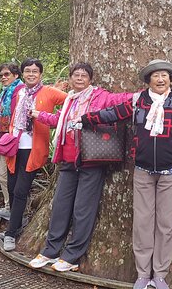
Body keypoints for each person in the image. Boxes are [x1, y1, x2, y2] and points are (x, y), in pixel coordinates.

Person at [79, 59, 172, 289]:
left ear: (170, 79)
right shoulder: (137, 101)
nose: (161, 79)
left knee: (166, 224)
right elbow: (112, 114)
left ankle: (159, 274)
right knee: (142, 222)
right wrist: (85, 118)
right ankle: (143, 274)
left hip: (171, 171)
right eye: (156, 75)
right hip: (142, 170)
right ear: (148, 80)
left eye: (165, 75)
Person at [27, 62, 132, 272]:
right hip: (68, 159)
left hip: (91, 160)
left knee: (83, 209)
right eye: (76, 75)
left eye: (84, 75)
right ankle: (50, 250)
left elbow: (121, 100)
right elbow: (61, 120)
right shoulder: (70, 100)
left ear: (90, 79)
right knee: (60, 206)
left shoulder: (99, 96)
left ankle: (72, 255)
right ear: (71, 78)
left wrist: (146, 94)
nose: (80, 78)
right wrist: (39, 115)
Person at [2, 58, 67, 252]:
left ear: (40, 74)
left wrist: (52, 119)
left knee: (21, 190)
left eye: (35, 71)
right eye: (28, 71)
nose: (31, 74)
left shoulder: (48, 92)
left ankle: (10, 234)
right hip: (14, 147)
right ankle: (16, 224)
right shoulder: (19, 91)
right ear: (23, 74)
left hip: (33, 148)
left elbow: (71, 103)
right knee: (13, 188)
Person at [0, 62, 24, 220]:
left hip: (15, 140)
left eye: (7, 74)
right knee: (4, 175)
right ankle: (10, 207)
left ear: (16, 75)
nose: (3, 78)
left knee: (12, 175)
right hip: (4, 139)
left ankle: (15, 210)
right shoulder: (5, 92)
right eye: (1, 75)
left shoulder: (20, 90)